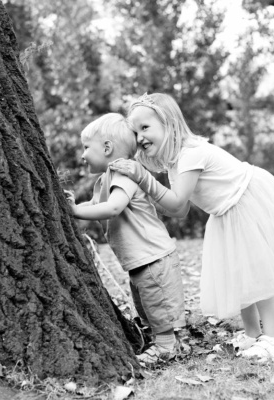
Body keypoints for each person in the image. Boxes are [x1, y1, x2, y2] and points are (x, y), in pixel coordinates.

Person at [109, 93, 274, 360]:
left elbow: (176, 203)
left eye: (145, 127)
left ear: (169, 123)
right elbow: (181, 209)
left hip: (244, 200)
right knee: (240, 272)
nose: (140, 137)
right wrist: (146, 190)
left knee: (257, 270)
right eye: (135, 131)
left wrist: (143, 178)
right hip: (226, 212)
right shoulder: (175, 162)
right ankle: (253, 335)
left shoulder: (190, 154)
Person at [66, 113, 186, 365]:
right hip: (140, 257)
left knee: (157, 302)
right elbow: (97, 204)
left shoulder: (124, 175)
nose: (83, 155)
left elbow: (112, 208)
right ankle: (163, 340)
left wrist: (75, 211)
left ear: (107, 148)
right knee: (147, 304)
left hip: (153, 255)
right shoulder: (105, 178)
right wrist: (75, 207)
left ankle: (167, 346)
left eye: (86, 147)